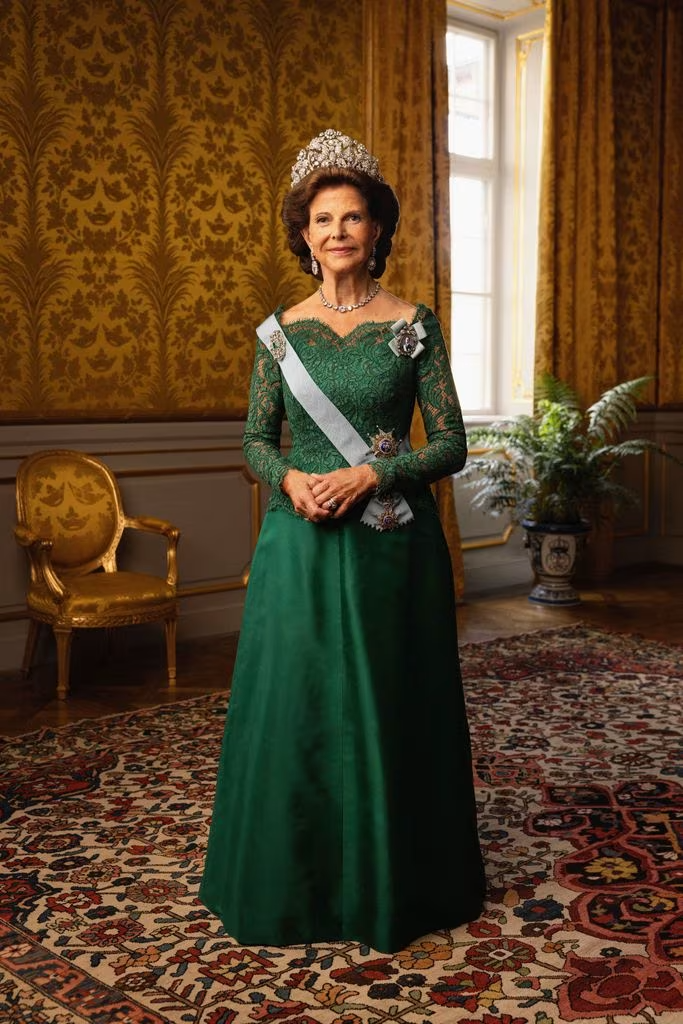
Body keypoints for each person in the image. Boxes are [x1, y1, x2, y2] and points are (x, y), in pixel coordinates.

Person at [200, 129, 485, 953]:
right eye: (322, 219)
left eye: (351, 218)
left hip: (391, 547)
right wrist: (290, 480)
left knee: (389, 707)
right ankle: (292, 881)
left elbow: (452, 443)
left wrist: (370, 476)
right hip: (298, 543)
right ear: (303, 234)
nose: (336, 233)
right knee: (298, 710)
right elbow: (257, 439)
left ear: (376, 231)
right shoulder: (278, 335)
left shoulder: (414, 326)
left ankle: (397, 880)